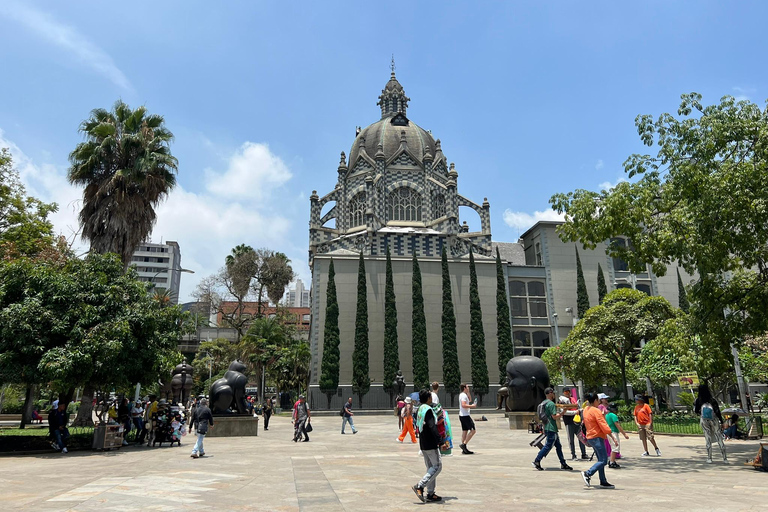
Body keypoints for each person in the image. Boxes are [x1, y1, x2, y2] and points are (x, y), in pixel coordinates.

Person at [411, 389, 448, 503]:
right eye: (430, 397)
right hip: (431, 443)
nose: (432, 399)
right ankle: (420, 486)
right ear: (428, 399)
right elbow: (432, 427)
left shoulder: (419, 409)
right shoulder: (428, 410)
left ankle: (430, 493)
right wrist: (440, 441)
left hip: (423, 442)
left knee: (430, 468)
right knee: (437, 466)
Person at [581, 393, 617, 489]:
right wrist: (612, 436)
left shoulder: (586, 410)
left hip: (590, 436)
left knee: (600, 460)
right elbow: (603, 424)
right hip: (597, 437)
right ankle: (588, 473)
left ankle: (603, 480)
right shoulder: (596, 411)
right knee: (604, 460)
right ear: (596, 400)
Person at [532, 387, 573, 471]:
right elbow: (554, 417)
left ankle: (563, 463)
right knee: (548, 446)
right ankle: (537, 460)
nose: (554, 394)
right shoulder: (551, 404)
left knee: (558, 446)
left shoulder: (544, 402)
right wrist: (563, 412)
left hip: (547, 426)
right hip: (551, 428)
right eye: (553, 393)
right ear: (550, 393)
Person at [694, 384, 727, 463]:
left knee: (708, 438)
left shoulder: (699, 400)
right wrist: (721, 421)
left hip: (704, 420)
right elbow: (717, 411)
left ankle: (709, 458)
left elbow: (696, 411)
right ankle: (725, 458)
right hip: (714, 420)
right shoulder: (712, 400)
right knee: (719, 438)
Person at [559, 388, 587, 460]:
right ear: (563, 393)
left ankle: (584, 454)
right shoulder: (562, 401)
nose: (567, 393)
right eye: (565, 392)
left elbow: (578, 407)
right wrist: (575, 412)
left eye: (568, 392)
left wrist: (579, 412)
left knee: (581, 438)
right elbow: (564, 412)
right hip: (569, 422)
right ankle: (573, 455)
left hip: (577, 421)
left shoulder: (573, 399)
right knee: (571, 439)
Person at [605, 403, 630, 468]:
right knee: (615, 447)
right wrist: (624, 434)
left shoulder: (607, 415)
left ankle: (612, 460)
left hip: (609, 433)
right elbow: (617, 425)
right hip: (613, 432)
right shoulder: (613, 415)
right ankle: (612, 462)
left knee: (613, 447)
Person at [458, 383, 478, 455]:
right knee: (473, 430)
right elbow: (463, 405)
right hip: (465, 415)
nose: (468, 388)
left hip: (462, 415)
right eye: (467, 387)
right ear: (464, 388)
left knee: (465, 431)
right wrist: (472, 406)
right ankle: (464, 444)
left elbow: (469, 399)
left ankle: (464, 448)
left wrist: (468, 392)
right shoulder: (463, 395)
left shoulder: (463, 394)